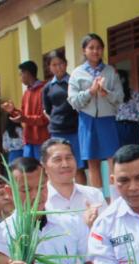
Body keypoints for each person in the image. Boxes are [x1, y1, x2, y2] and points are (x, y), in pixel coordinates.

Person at [68, 33, 123, 191]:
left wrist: (107, 94)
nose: (95, 51)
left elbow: (120, 97)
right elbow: (73, 101)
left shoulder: (110, 71)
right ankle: (99, 202)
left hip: (107, 119)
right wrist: (90, 92)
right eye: (91, 48)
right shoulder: (77, 73)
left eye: (99, 48)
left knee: (113, 159)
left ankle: (116, 198)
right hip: (87, 120)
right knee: (93, 161)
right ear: (84, 50)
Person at [43, 50, 87, 185]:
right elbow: (48, 110)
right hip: (57, 132)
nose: (58, 67)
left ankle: (82, 197)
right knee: (58, 168)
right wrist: (57, 122)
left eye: (60, 64)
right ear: (49, 67)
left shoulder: (73, 82)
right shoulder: (47, 87)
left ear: (66, 64)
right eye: (54, 65)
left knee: (78, 166)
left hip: (75, 130)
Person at [2, 60, 50, 161]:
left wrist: (24, 118)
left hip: (42, 139)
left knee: (43, 171)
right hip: (28, 140)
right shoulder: (26, 93)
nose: (20, 78)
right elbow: (23, 116)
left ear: (27, 73)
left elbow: (45, 118)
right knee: (29, 172)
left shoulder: (44, 90)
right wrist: (13, 111)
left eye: (21, 74)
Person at [115, 69, 139, 148]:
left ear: (124, 80)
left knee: (133, 155)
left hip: (133, 128)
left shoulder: (134, 94)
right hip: (117, 128)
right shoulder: (111, 96)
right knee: (119, 155)